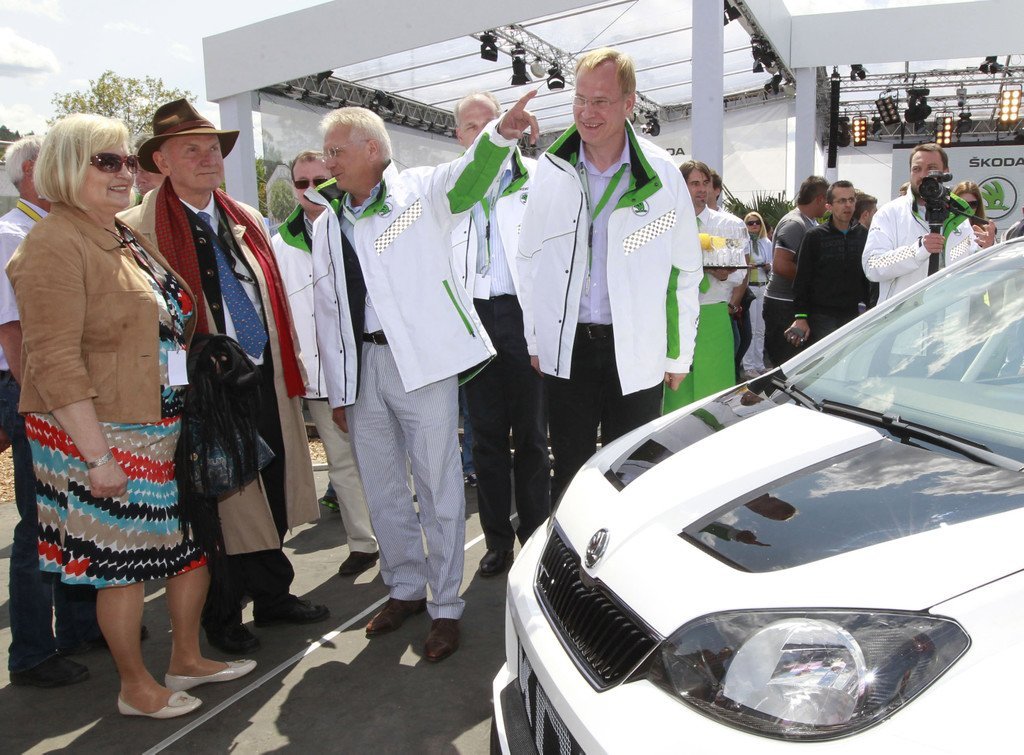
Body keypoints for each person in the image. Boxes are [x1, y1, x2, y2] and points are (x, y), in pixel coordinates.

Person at [8, 114, 256, 717]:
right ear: (67, 166)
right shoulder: (52, 243)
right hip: (99, 431)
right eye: (107, 161)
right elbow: (54, 360)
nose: (125, 172)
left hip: (159, 422)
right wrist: (97, 457)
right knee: (122, 565)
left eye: (127, 161)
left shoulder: (119, 232)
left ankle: (186, 659)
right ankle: (134, 688)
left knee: (188, 547)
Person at [310, 93, 537, 661]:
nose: (329, 162)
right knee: (383, 486)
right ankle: (406, 588)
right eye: (326, 152)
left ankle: (445, 606)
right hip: (362, 369)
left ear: (372, 149)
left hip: (423, 364)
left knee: (438, 486)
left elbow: (470, 177)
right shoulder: (327, 221)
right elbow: (327, 310)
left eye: (336, 151)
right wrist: (338, 386)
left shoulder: (421, 190)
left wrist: (500, 135)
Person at [121, 99, 327, 655]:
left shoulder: (245, 218)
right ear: (162, 161)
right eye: (192, 149)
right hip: (200, 388)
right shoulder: (138, 230)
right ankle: (223, 611)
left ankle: (274, 595)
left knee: (270, 484)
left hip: (261, 373)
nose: (208, 157)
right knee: (217, 499)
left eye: (213, 148)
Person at [517, 47, 702, 502]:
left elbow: (683, 271)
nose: (587, 112)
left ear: (628, 104)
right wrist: (536, 339)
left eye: (600, 101)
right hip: (569, 347)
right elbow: (529, 261)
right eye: (580, 99)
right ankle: (569, 550)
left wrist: (678, 355)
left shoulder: (662, 176)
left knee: (633, 474)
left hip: (635, 348)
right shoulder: (551, 172)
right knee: (570, 473)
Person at [1, 136, 103, 688]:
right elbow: (12, 332)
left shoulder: (60, 229)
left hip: (57, 391)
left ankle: (80, 628)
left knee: (73, 512)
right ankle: (32, 652)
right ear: (31, 172)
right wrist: (42, 404)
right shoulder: (12, 236)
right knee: (39, 523)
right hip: (32, 390)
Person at [449, 91, 550, 578]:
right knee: (486, 438)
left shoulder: (540, 177)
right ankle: (496, 542)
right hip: (473, 319)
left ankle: (535, 534)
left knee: (531, 435)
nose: (483, 132)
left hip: (522, 318)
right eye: (471, 126)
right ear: (458, 135)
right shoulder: (446, 188)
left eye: (490, 121)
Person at [270, 150, 379, 577]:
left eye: (320, 180)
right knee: (341, 463)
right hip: (320, 378)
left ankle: (399, 538)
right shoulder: (280, 246)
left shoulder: (358, 225)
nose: (311, 189)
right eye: (302, 183)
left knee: (386, 458)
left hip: (369, 366)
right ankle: (363, 543)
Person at [863, 143, 995, 304]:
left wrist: (985, 250)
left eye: (931, 168)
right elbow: (872, 266)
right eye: (916, 169)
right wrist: (917, 250)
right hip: (904, 317)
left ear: (945, 172)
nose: (923, 175)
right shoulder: (890, 213)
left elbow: (965, 265)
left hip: (951, 315)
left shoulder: (958, 215)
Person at [665, 160, 744, 411]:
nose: (701, 189)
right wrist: (705, 267)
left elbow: (739, 273)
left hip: (713, 312)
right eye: (694, 183)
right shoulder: (666, 224)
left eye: (705, 183)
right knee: (676, 391)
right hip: (675, 314)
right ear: (681, 185)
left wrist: (721, 274)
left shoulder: (730, 225)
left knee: (715, 388)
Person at [788, 180, 870, 346]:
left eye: (851, 200)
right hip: (821, 317)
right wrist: (801, 317)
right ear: (829, 206)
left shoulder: (864, 235)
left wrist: (871, 309)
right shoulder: (814, 236)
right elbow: (802, 279)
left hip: (854, 315)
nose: (848, 205)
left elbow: (869, 277)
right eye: (841, 201)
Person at [761, 175, 827, 367]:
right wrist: (814, 283)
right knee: (787, 365)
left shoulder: (809, 222)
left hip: (794, 304)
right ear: (820, 199)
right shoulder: (794, 223)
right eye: (828, 199)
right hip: (784, 305)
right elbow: (781, 265)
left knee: (800, 364)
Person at [740, 210, 772, 378]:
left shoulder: (766, 242)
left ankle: (759, 364)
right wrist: (748, 266)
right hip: (750, 287)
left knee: (761, 328)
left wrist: (768, 266)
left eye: (757, 222)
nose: (754, 226)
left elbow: (773, 263)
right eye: (750, 223)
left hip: (763, 285)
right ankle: (749, 365)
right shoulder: (744, 243)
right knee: (751, 328)